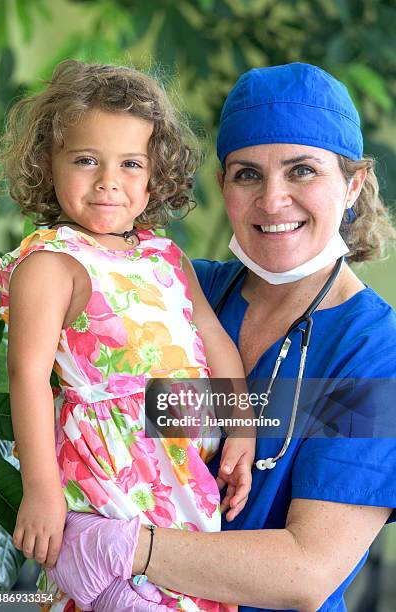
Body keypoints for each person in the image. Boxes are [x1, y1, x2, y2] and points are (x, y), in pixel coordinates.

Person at [41, 62, 396, 612]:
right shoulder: (171, 292)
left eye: (302, 171)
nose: (273, 200)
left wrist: (125, 547)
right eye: (248, 174)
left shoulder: (373, 351)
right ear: (223, 186)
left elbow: (308, 570)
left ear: (353, 184)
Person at [0, 59, 257, 611]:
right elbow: (30, 378)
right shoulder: (50, 265)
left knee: (193, 592)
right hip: (109, 472)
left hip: (184, 470)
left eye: (131, 163)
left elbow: (210, 336)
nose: (109, 181)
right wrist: (40, 489)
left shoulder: (165, 254)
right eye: (86, 160)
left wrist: (241, 427)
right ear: (48, 163)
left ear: (155, 172)